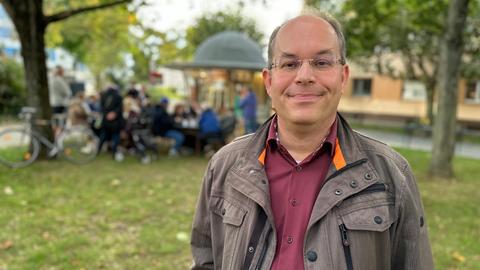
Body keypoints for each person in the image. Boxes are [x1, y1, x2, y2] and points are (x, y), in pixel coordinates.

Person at [190, 9, 434, 270]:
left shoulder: (391, 173)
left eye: (321, 63)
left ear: (343, 77)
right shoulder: (225, 166)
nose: (304, 76)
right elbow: (206, 260)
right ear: (269, 81)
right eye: (290, 64)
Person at [97, 86, 124, 161]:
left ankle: (98, 151)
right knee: (115, 136)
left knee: (103, 136)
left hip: (106, 120)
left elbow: (101, 108)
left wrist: (107, 114)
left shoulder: (103, 96)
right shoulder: (119, 96)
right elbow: (120, 108)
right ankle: (113, 152)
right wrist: (114, 113)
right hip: (115, 121)